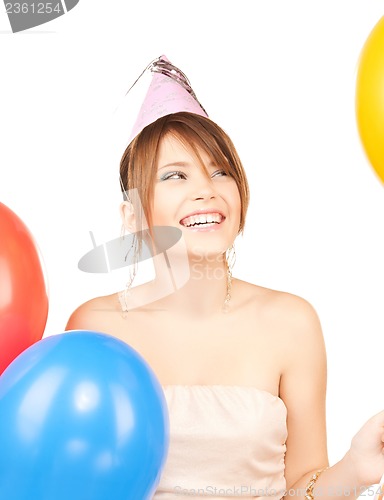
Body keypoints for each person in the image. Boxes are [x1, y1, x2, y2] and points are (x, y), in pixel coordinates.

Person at [66, 56, 384, 499]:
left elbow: (303, 488)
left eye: (221, 171)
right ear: (133, 216)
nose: (206, 189)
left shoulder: (291, 322)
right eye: (175, 175)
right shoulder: (93, 327)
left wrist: (356, 467)